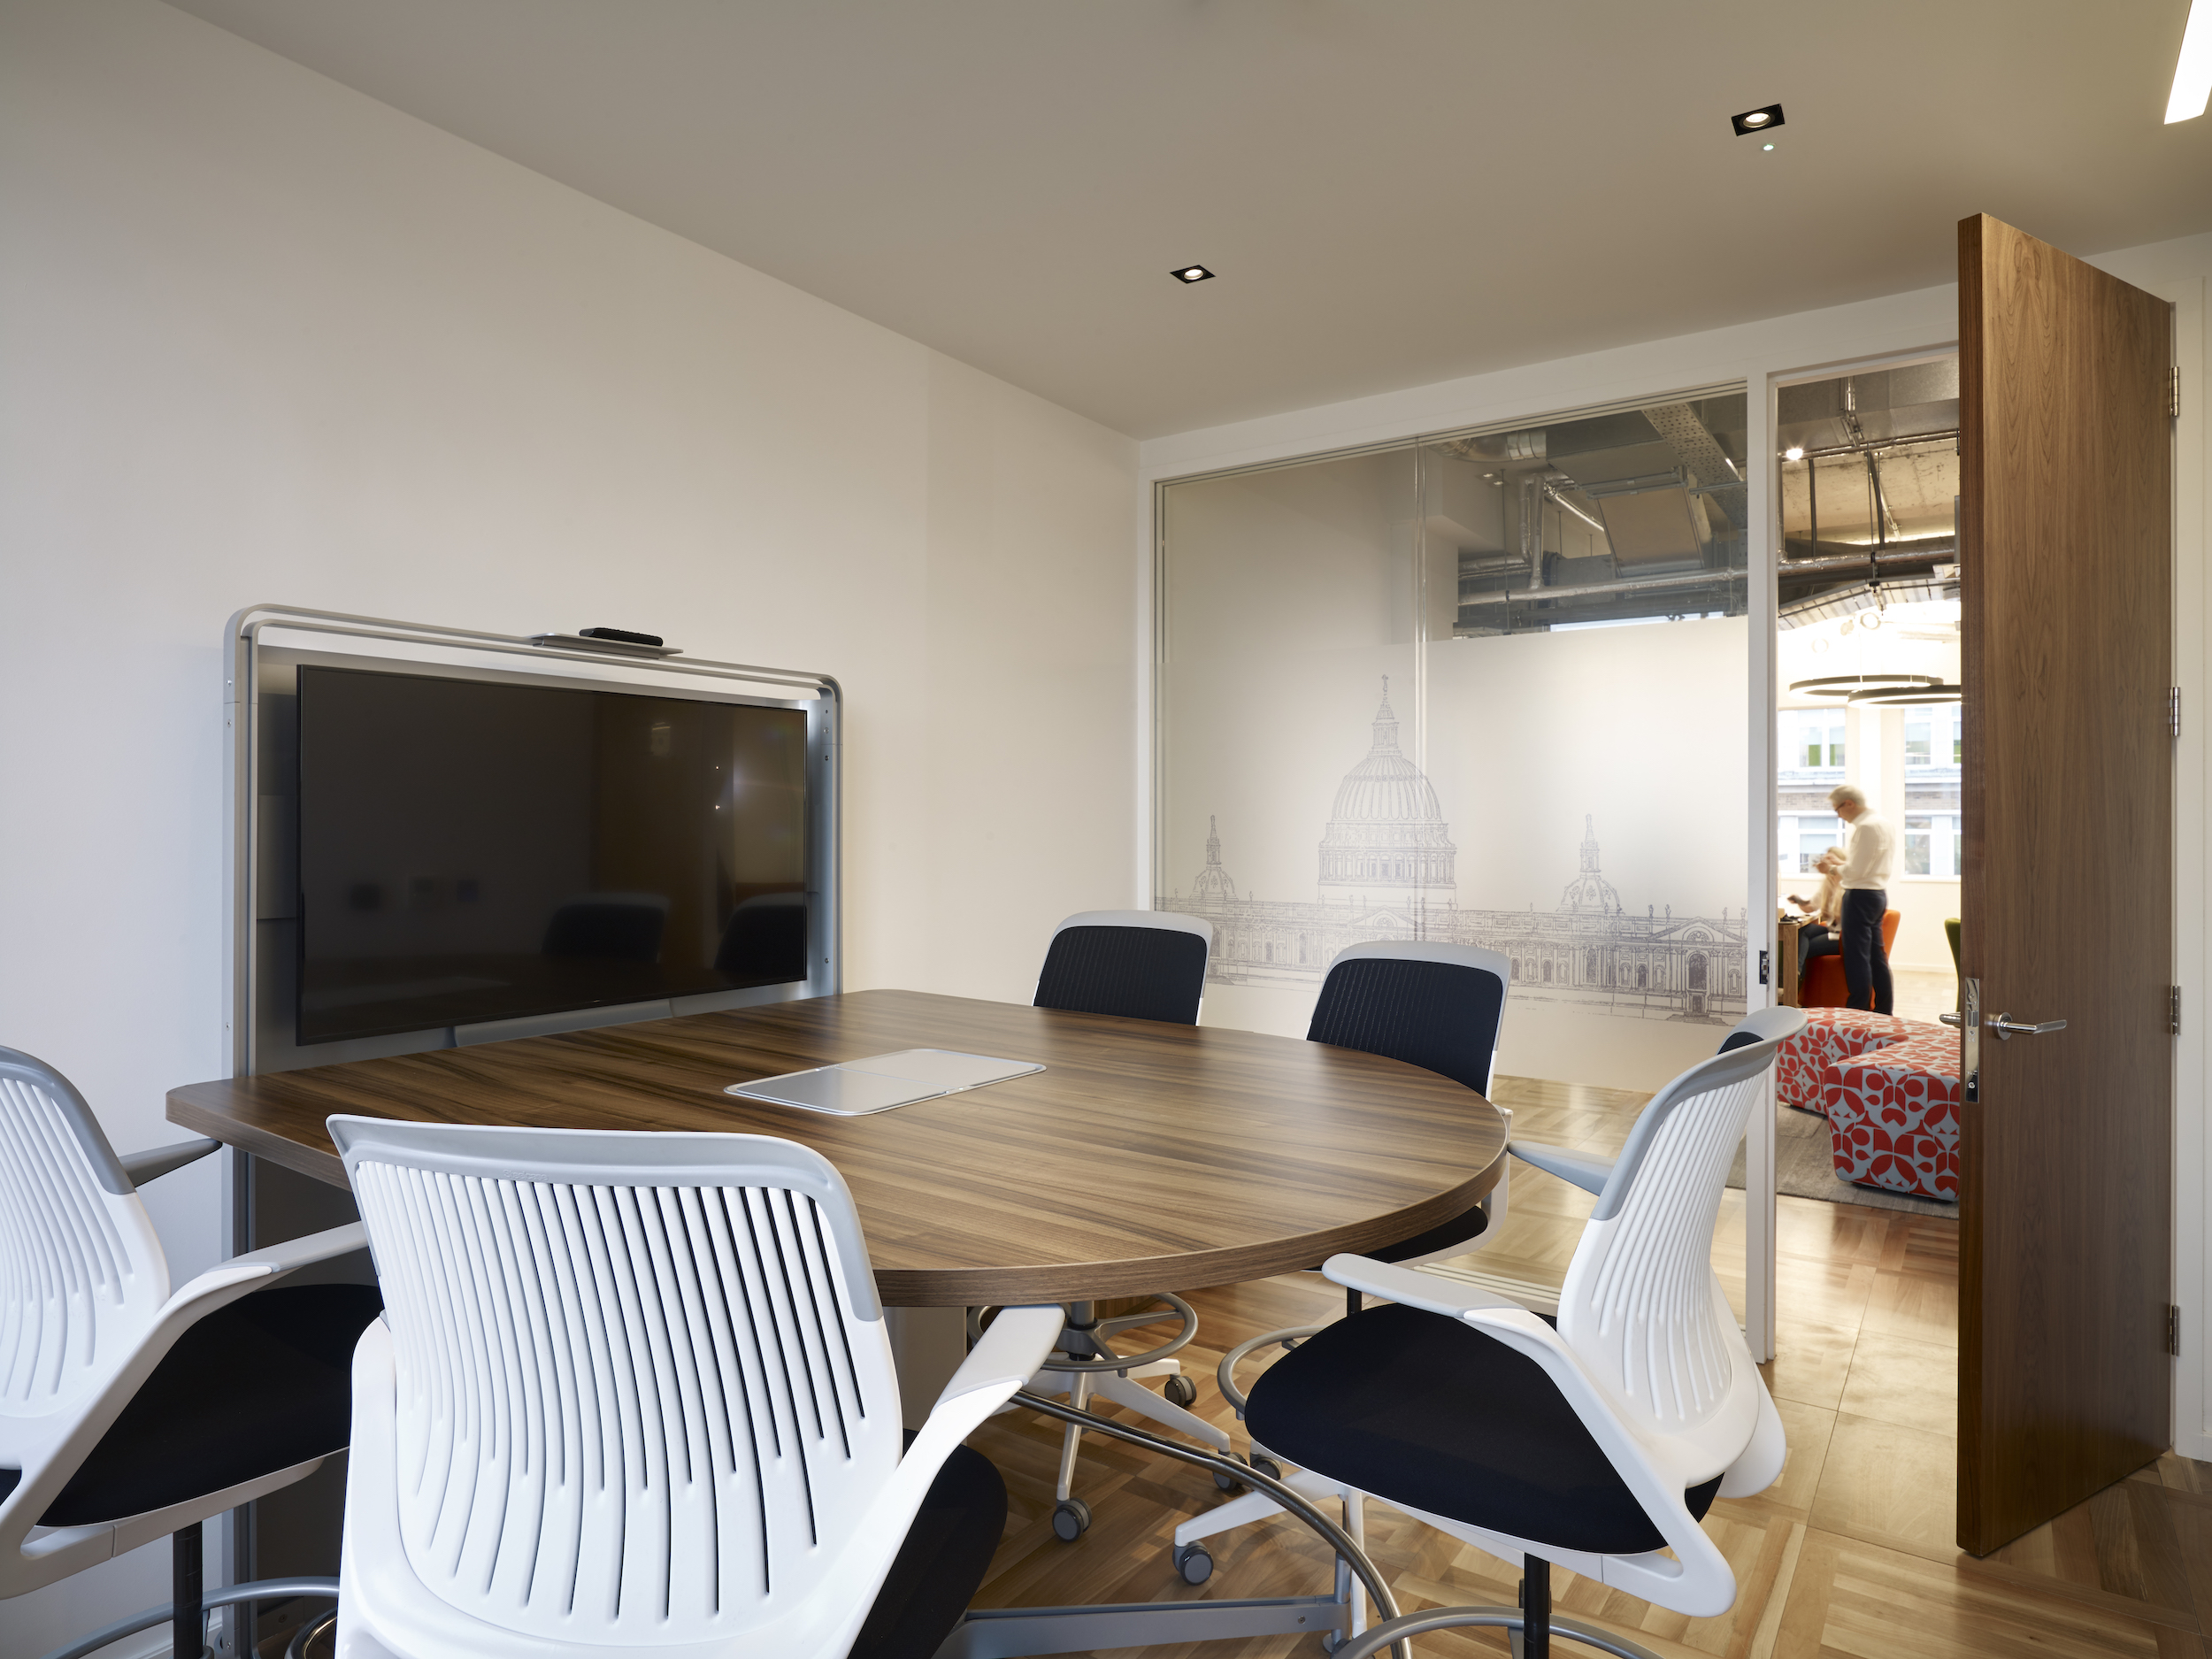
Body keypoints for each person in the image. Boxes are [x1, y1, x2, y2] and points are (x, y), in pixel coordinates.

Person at [1828, 783, 1895, 1015]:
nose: (1838, 815)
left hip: (1859, 896)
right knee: (1877, 957)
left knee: (1857, 958)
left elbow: (1856, 871)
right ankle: (1884, 1011)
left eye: (1837, 809)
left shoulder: (1866, 827)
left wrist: (1833, 869)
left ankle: (1858, 1011)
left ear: (1849, 803)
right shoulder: (1883, 823)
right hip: (1877, 895)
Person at [1786, 846, 1845, 979]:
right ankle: (1796, 973)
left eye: (1830, 860)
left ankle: (1794, 978)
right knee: (1803, 931)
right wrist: (1798, 900)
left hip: (1843, 936)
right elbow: (1811, 906)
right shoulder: (1828, 883)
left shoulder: (1847, 885)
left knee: (1801, 948)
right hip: (1833, 931)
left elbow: (1842, 916)